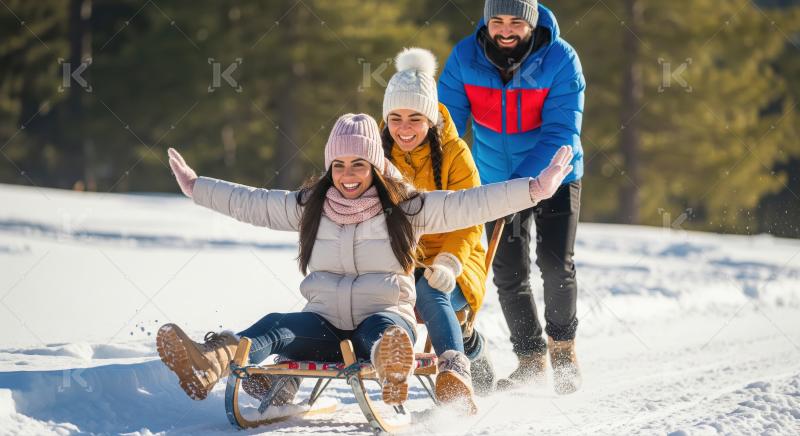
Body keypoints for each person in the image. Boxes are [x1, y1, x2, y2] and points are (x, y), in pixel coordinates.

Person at [156, 113, 574, 413]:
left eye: (358, 163)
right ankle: (210, 361)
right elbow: (253, 203)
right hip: (323, 323)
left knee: (384, 331)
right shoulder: (310, 207)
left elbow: (472, 203)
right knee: (274, 324)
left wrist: (535, 189)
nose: (348, 174)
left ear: (376, 165)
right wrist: (198, 188)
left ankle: (392, 370)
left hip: (384, 317)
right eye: (338, 165)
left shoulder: (407, 208)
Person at [437, 0, 585, 394]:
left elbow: (561, 131)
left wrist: (527, 185)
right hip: (494, 181)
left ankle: (563, 349)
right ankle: (531, 359)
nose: (505, 30)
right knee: (506, 273)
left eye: (515, 22)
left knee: (554, 264)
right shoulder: (464, 57)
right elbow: (446, 127)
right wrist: (444, 176)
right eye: (497, 20)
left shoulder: (560, 59)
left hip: (555, 172)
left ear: (531, 23)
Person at [380, 47, 496, 399]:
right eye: (395, 118)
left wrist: (449, 260)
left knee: (432, 290)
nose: (404, 128)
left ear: (430, 118)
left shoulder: (456, 153)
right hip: (402, 257)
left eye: (414, 118)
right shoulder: (380, 153)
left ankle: (455, 368)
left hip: (458, 257)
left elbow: (470, 217)